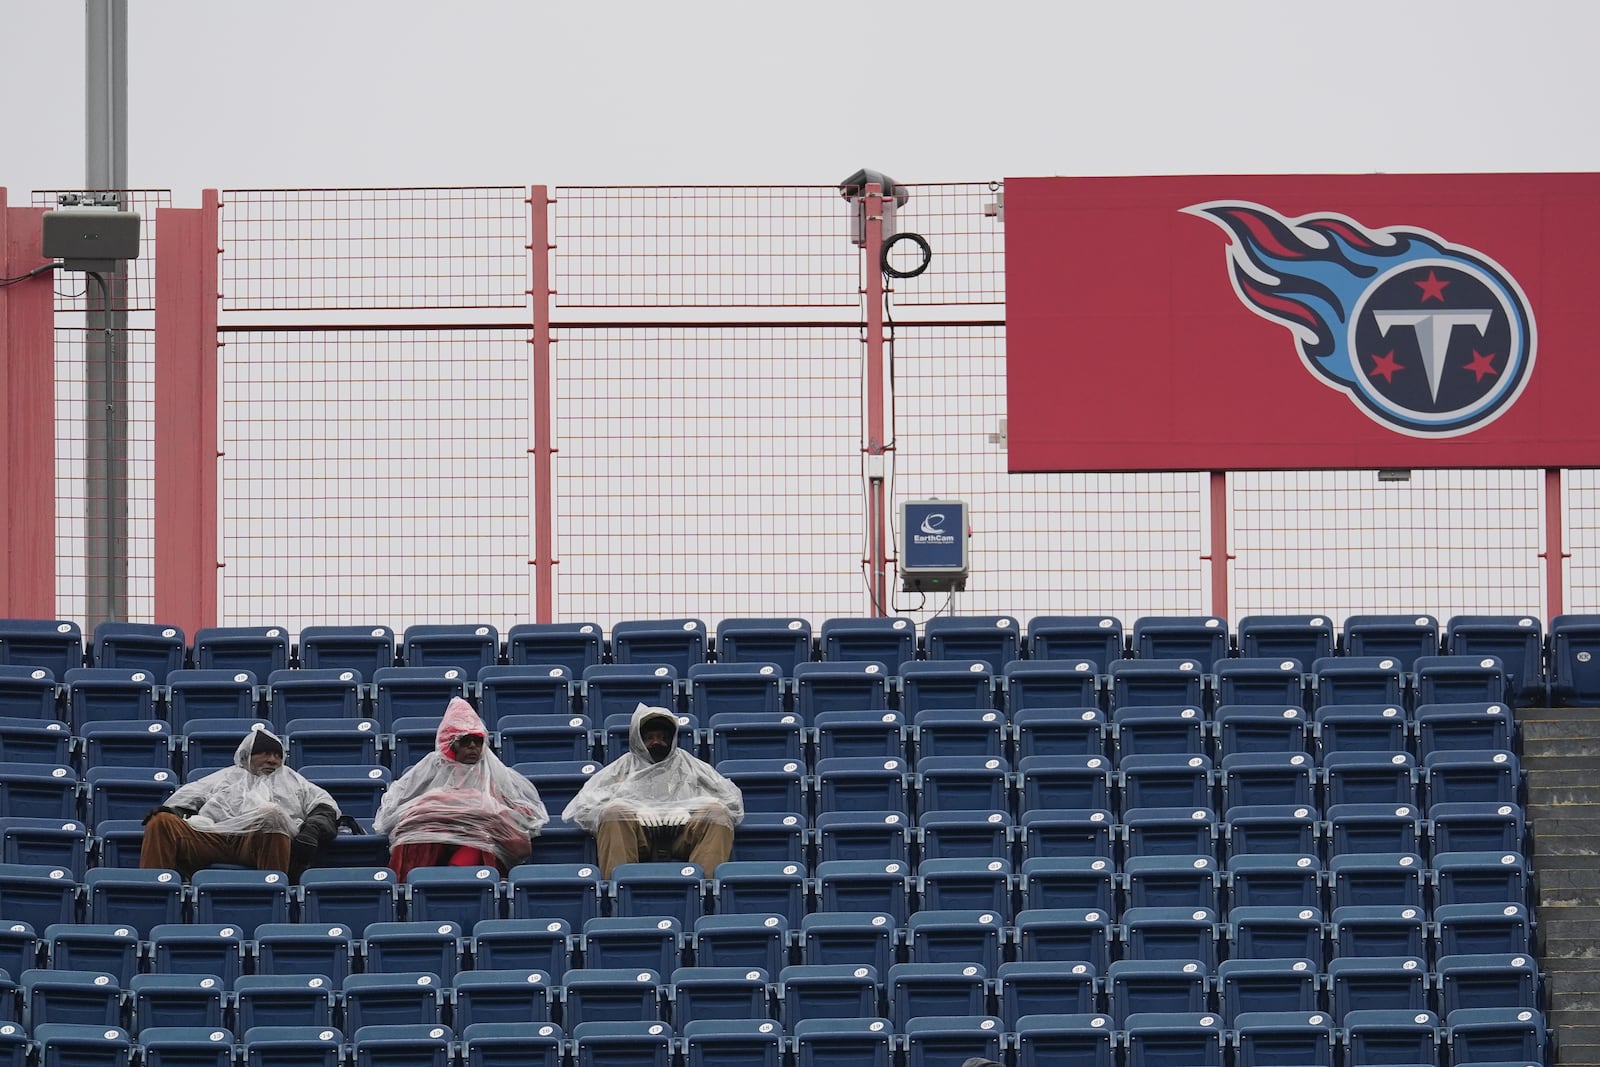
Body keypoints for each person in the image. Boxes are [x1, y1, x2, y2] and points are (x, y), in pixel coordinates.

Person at [373, 696, 549, 880]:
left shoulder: (496, 772)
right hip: (433, 836)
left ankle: (458, 886)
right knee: (413, 840)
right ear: (451, 743)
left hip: (478, 836)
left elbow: (523, 813)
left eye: (477, 740)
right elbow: (397, 806)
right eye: (465, 741)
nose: (472, 746)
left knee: (475, 847)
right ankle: (413, 892)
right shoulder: (431, 767)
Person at [564, 702, 744, 878]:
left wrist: (692, 809)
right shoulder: (621, 768)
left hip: (683, 836)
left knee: (717, 813)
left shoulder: (692, 766)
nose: (656, 742)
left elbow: (731, 801)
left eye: (661, 737)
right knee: (613, 812)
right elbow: (584, 808)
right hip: (637, 837)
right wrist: (629, 808)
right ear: (639, 739)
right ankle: (617, 891)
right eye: (650, 737)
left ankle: (705, 892)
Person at [140, 726, 339, 880]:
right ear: (246, 756)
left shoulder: (294, 780)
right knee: (161, 821)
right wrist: (171, 812)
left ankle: (273, 893)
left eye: (277, 755)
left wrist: (312, 830)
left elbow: (324, 806)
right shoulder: (225, 777)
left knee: (272, 813)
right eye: (265, 754)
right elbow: (186, 799)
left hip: (257, 843)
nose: (272, 760)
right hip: (216, 839)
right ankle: (152, 891)